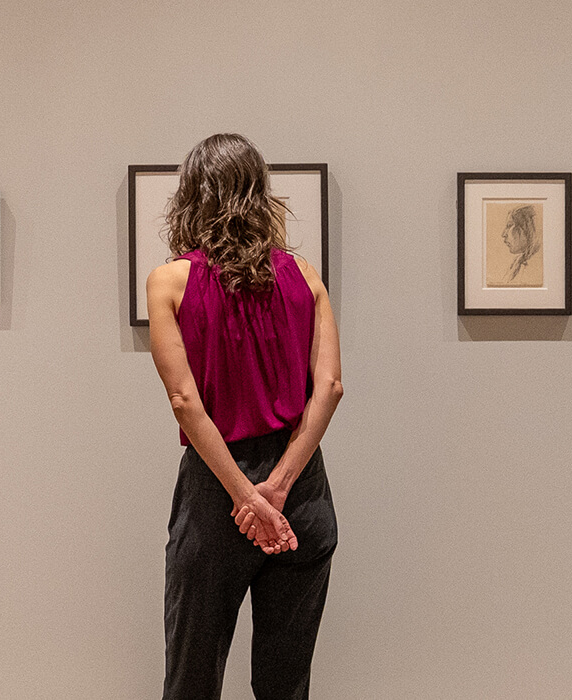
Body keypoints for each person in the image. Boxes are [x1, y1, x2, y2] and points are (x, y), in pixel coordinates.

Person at [145, 133, 345, 699]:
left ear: (192, 195)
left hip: (217, 497)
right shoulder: (305, 277)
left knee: (192, 681)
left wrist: (245, 497)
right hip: (300, 492)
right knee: (286, 687)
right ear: (260, 195)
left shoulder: (170, 282)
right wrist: (277, 489)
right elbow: (328, 387)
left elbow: (186, 401)